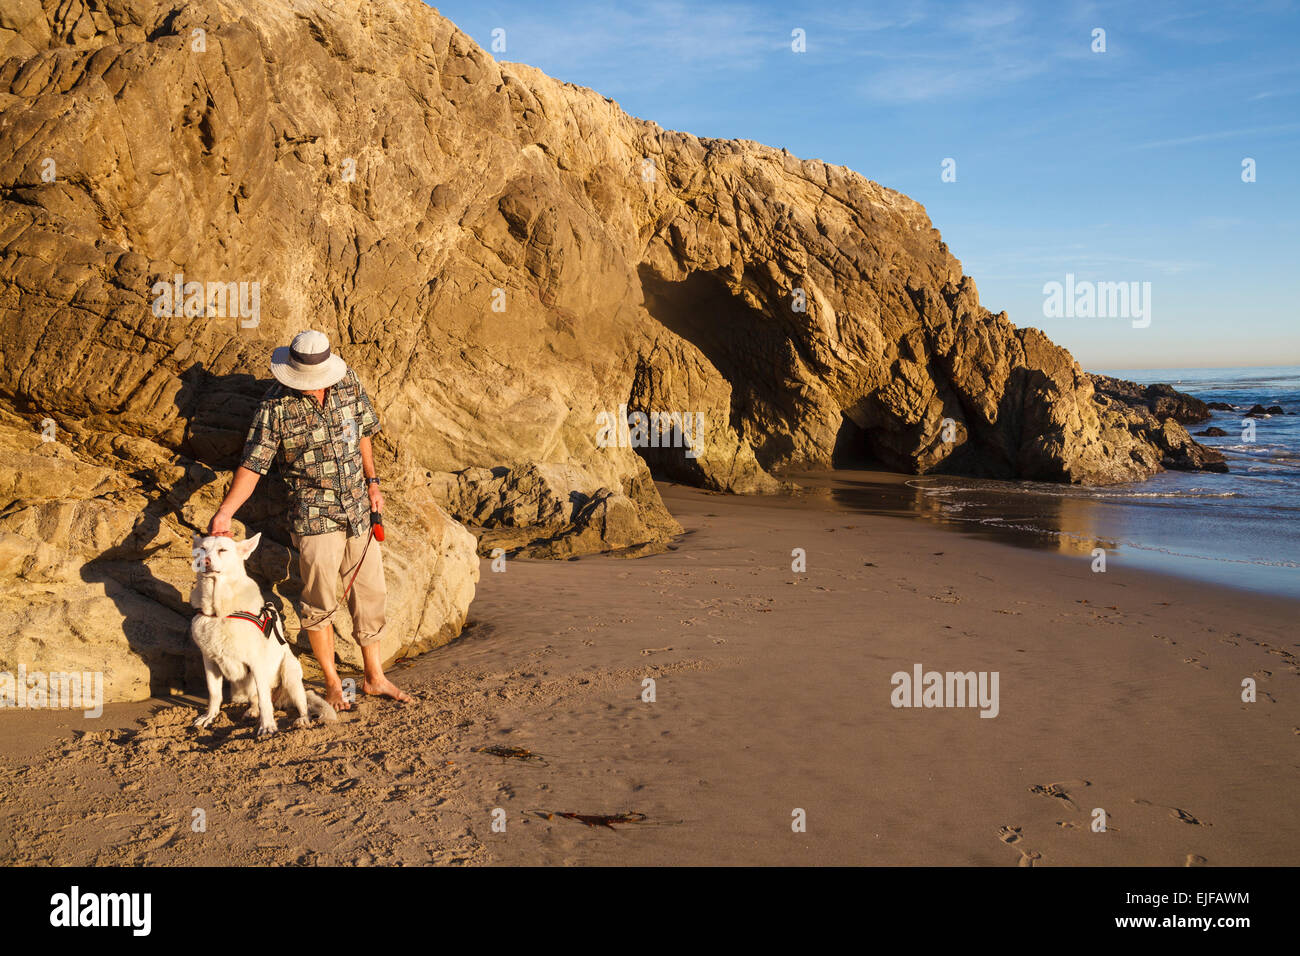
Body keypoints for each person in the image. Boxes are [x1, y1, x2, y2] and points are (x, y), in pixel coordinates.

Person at [209, 329, 410, 709]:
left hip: (359, 509)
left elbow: (363, 433)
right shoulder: (274, 407)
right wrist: (225, 512)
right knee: (319, 601)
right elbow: (252, 467)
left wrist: (373, 482)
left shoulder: (347, 381)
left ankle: (374, 677)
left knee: (371, 594)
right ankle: (334, 684)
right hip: (314, 515)